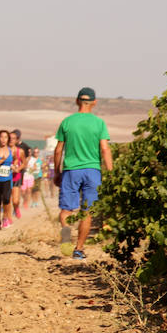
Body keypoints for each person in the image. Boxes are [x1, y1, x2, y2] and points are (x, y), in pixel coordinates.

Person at [53, 87, 113, 260]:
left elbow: (58, 151)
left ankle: (66, 238)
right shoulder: (99, 123)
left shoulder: (67, 122)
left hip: (71, 170)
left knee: (66, 209)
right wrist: (110, 174)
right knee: (87, 211)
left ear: (77, 100)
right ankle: (78, 249)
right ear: (94, 102)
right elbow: (104, 148)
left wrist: (57, 171)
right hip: (92, 170)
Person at [8, 130, 25, 219]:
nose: (11, 140)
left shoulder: (20, 151)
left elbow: (24, 163)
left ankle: (16, 208)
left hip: (16, 177)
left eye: (13, 139)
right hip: (5, 177)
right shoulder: (2, 150)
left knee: (15, 200)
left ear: (17, 140)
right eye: (9, 138)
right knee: (7, 199)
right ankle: (8, 217)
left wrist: (18, 169)